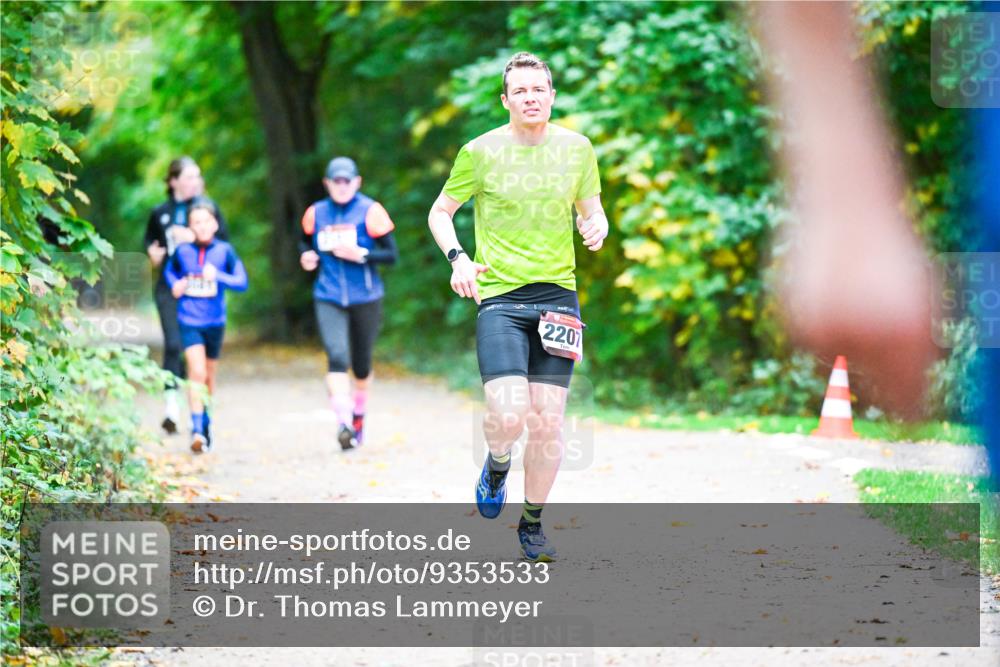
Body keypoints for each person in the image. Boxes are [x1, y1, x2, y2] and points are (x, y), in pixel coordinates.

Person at [427, 52, 608, 561]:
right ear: (506, 101)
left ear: (552, 96)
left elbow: (592, 212)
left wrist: (598, 227)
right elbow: (440, 213)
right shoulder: (479, 152)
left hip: (558, 297)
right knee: (507, 414)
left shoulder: (578, 149)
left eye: (538, 89)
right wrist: (459, 258)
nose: (531, 97)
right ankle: (498, 463)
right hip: (502, 297)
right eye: (520, 91)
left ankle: (532, 524)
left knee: (549, 421)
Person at [299, 157, 398, 450]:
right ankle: (343, 422)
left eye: (347, 181)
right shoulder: (315, 213)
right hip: (328, 295)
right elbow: (303, 242)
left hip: (366, 296)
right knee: (337, 356)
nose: (341, 186)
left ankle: (358, 415)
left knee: (362, 366)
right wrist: (306, 256)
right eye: (335, 181)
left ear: (357, 182)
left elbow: (392, 256)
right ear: (327, 184)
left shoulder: (371, 210)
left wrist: (362, 254)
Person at [143, 157, 229, 434]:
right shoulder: (160, 213)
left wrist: (195, 239)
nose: (196, 182)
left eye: (198, 177)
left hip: (201, 291)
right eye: (190, 177)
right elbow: (150, 242)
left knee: (194, 351)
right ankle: (171, 407)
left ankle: (198, 406)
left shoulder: (208, 208)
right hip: (170, 287)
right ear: (173, 181)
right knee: (172, 343)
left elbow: (225, 245)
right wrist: (153, 254)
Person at [164, 200, 248, 452]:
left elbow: (242, 282)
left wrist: (218, 276)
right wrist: (175, 285)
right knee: (197, 372)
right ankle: (197, 429)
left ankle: (206, 421)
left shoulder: (225, 251)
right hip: (189, 320)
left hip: (215, 322)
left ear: (214, 224)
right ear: (190, 226)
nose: (201, 226)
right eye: (195, 222)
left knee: (209, 375)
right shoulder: (182, 252)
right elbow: (169, 272)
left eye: (205, 221)